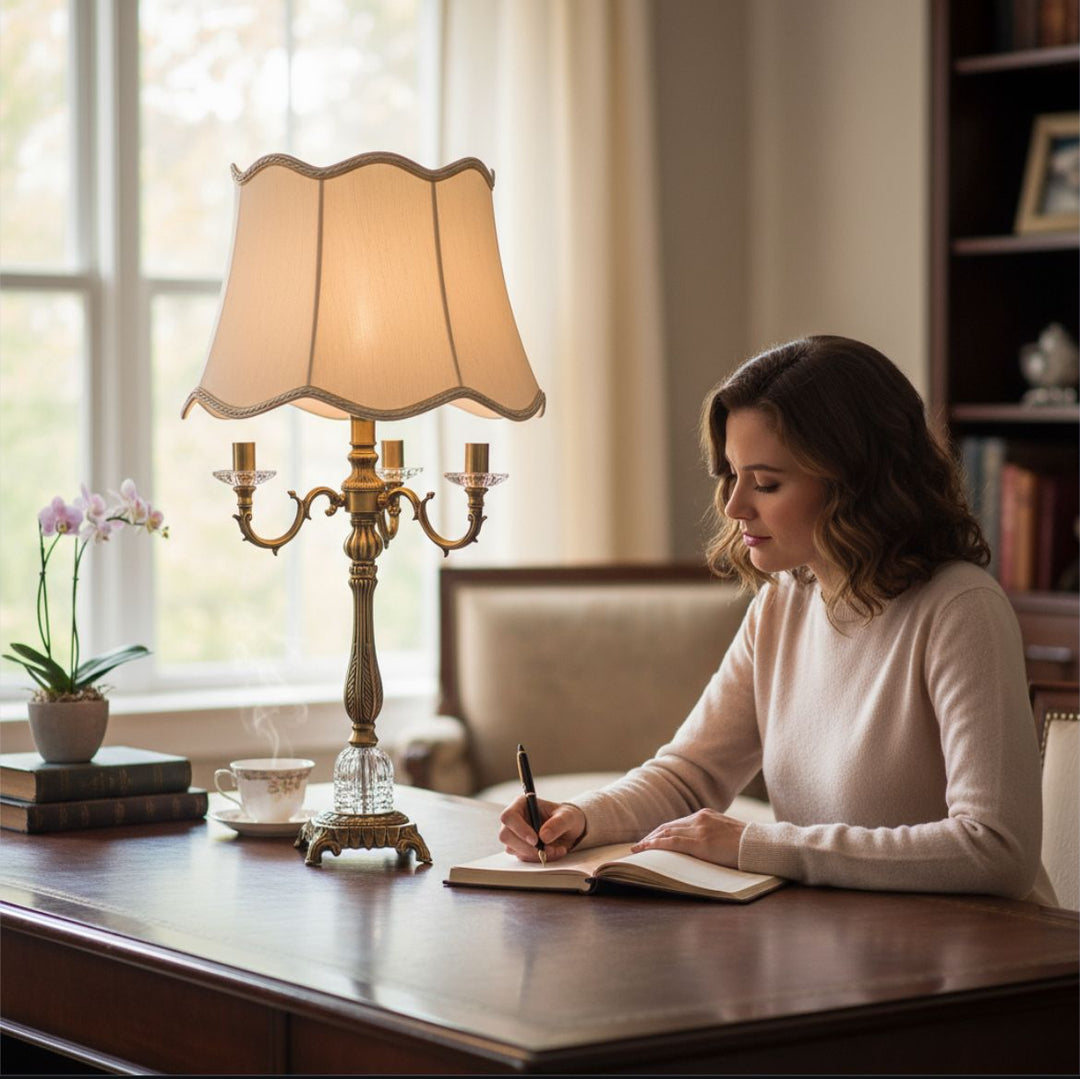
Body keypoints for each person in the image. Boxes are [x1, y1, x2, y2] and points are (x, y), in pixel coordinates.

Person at [499, 335, 1055, 904]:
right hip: (841, 943)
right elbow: (690, 774)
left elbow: (995, 849)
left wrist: (758, 845)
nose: (735, 505)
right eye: (732, 475)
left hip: (983, 962)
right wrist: (579, 817)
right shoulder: (783, 602)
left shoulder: (961, 609)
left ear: (855, 483)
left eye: (765, 483)